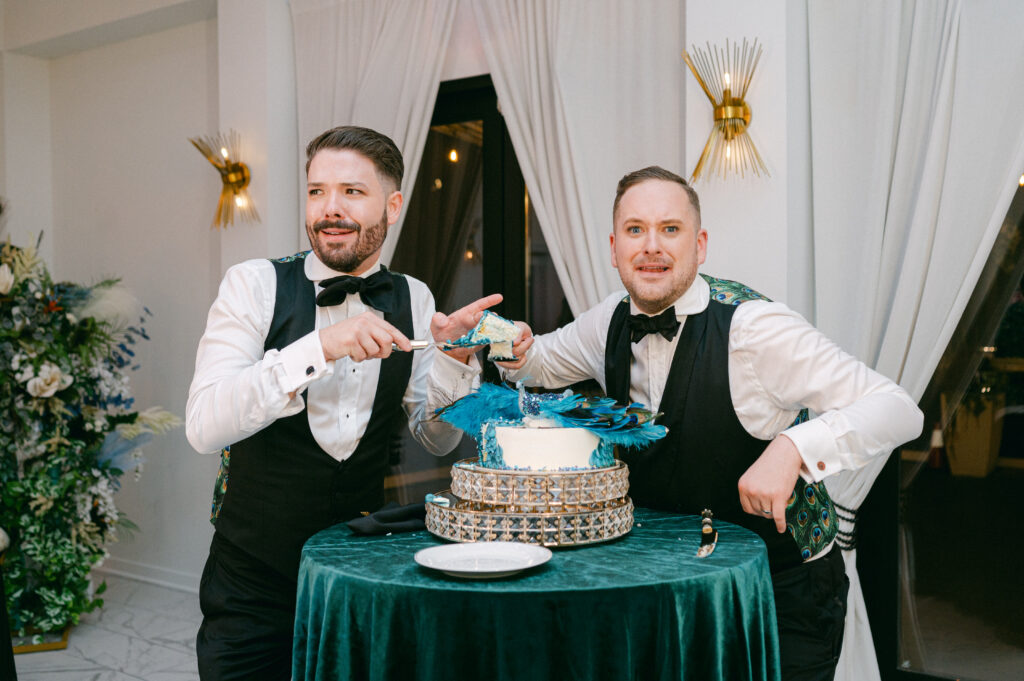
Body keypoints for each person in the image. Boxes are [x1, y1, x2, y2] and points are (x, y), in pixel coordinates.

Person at [495, 166, 923, 681]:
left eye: (670, 229)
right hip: (668, 583)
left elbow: (897, 407)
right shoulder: (606, 319)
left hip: (781, 591)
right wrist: (502, 341)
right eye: (636, 230)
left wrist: (792, 448)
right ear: (614, 248)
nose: (651, 246)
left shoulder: (755, 329)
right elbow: (537, 360)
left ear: (700, 245)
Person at [186, 125, 496, 681]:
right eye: (316, 191)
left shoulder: (414, 297)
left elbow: (438, 437)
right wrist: (318, 347)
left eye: (352, 191)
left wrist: (453, 361)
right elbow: (204, 425)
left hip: (359, 575)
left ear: (392, 204)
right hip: (252, 583)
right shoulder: (252, 284)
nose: (330, 209)